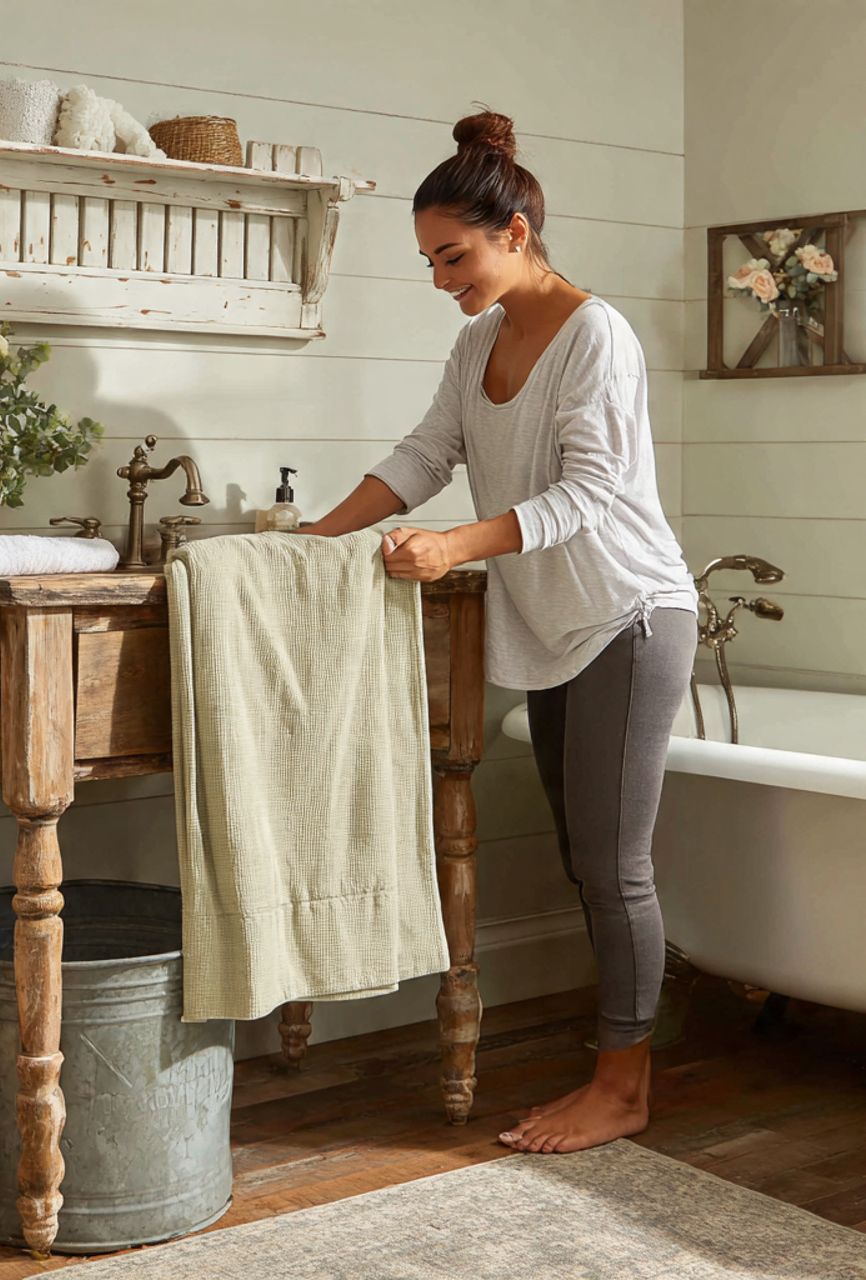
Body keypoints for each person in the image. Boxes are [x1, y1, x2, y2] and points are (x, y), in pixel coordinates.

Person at [302, 108, 699, 1154]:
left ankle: (622, 1089)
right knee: (585, 857)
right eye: (430, 261)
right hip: (559, 622)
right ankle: (620, 1052)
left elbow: (590, 495)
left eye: (454, 256)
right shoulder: (478, 339)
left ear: (514, 233)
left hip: (627, 613)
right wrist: (313, 539)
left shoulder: (595, 335)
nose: (442, 279)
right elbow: (425, 453)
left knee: (613, 865)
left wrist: (455, 546)